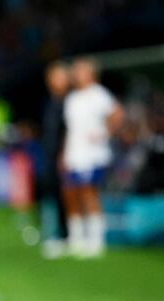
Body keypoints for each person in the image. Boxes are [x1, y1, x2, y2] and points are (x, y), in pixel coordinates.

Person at [62, 58, 123, 258]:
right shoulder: (72, 98)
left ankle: (96, 240)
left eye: (80, 70)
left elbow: (117, 113)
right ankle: (76, 238)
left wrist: (105, 132)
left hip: (92, 154)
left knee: (89, 192)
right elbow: (70, 130)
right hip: (74, 153)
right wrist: (64, 153)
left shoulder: (99, 94)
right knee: (71, 193)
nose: (76, 74)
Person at [39, 61, 70, 258]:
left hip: (64, 156)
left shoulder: (70, 103)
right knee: (51, 193)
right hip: (49, 155)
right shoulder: (50, 102)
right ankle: (52, 232)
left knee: (64, 196)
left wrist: (64, 153)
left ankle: (65, 234)